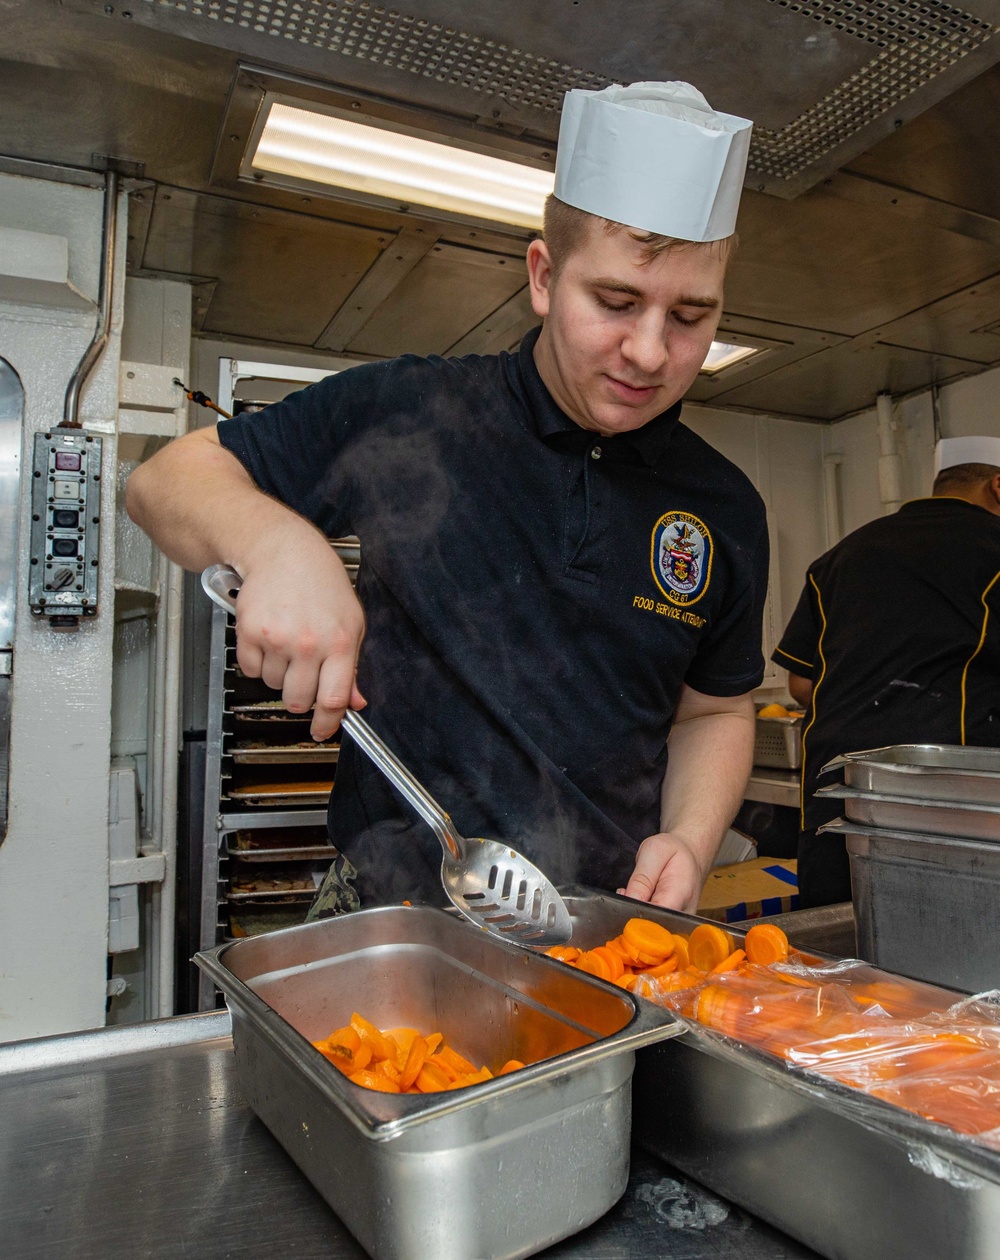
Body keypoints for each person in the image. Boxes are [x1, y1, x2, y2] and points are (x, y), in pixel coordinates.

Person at [128, 81, 769, 915]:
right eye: (614, 302)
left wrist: (688, 838)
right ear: (543, 276)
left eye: (690, 316)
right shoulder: (412, 410)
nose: (649, 352)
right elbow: (162, 482)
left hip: (604, 929)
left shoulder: (724, 506)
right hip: (387, 915)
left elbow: (715, 713)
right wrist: (280, 545)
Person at [773, 437, 1000, 907]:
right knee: (951, 955)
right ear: (998, 487)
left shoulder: (841, 555)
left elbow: (802, 683)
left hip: (839, 797)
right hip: (948, 804)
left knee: (838, 956)